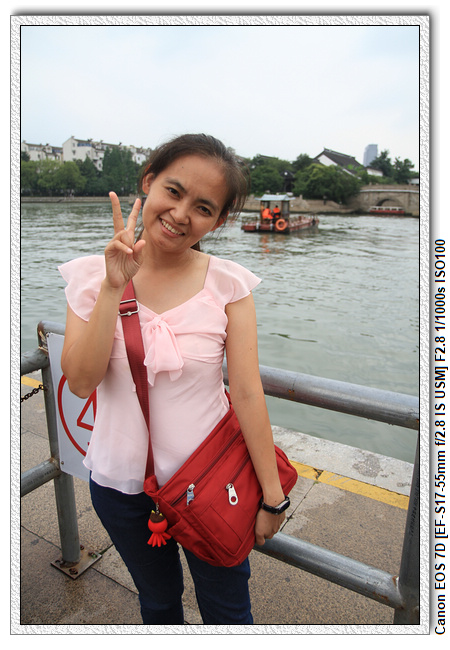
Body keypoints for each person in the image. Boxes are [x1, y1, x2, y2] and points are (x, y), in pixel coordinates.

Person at [59, 134, 287, 625]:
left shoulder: (228, 285)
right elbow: (80, 382)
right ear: (149, 182)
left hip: (212, 483)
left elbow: (248, 392)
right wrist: (112, 287)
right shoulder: (90, 276)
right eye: (174, 191)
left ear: (218, 221)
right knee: (158, 604)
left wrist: (273, 495)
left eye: (203, 207)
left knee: (228, 611)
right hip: (121, 488)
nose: (181, 214)